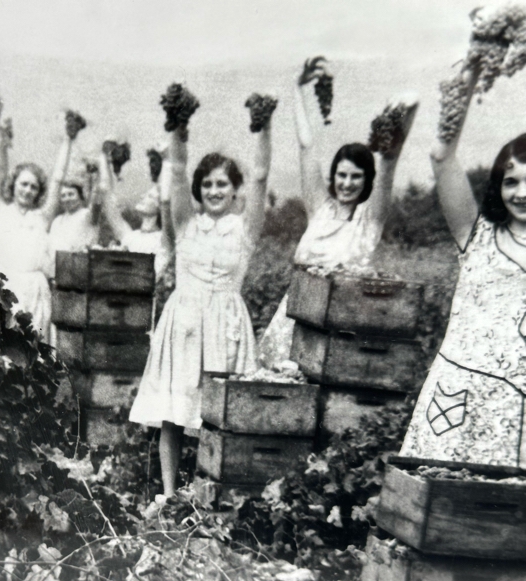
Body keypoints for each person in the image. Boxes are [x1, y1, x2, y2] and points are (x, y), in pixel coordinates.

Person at [129, 92, 273, 498]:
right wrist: (177, 126)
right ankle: (171, 495)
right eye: (207, 184)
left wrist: (264, 126)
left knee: (219, 416)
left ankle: (211, 496)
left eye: (222, 184)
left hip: (226, 325)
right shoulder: (185, 225)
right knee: (173, 414)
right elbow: (175, 173)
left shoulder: (246, 230)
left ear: (234, 190)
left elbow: (262, 175)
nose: (214, 190)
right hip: (184, 323)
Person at [400, 65, 526, 468]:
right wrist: (471, 72)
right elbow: (441, 156)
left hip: (518, 414)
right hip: (458, 399)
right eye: (511, 182)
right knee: (435, 508)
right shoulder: (477, 234)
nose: (521, 193)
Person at [258, 59, 418, 369]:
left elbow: (389, 162)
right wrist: (297, 87)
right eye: (341, 175)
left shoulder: (370, 218)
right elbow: (306, 146)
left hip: (342, 329)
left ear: (366, 179)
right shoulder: (320, 208)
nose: (346, 184)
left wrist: (407, 110)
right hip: (292, 323)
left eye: (355, 177)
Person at [0, 102, 81, 339]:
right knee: (5, 352)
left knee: (34, 353)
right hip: (6, 288)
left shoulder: (42, 217)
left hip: (36, 291)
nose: (28, 190)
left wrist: (68, 141)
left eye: (34, 187)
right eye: (23, 184)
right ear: (14, 184)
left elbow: (57, 179)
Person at [97, 147, 168, 280]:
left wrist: (166, 161)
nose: (142, 196)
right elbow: (106, 194)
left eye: (149, 196)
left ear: (160, 206)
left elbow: (166, 198)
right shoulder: (130, 236)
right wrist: (104, 157)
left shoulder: (164, 240)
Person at [48, 168, 101, 267]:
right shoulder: (57, 220)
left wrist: (97, 180)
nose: (67, 199)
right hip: (55, 270)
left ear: (81, 196)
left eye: (71, 194)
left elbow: (96, 203)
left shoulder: (86, 215)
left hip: (80, 269)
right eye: (63, 196)